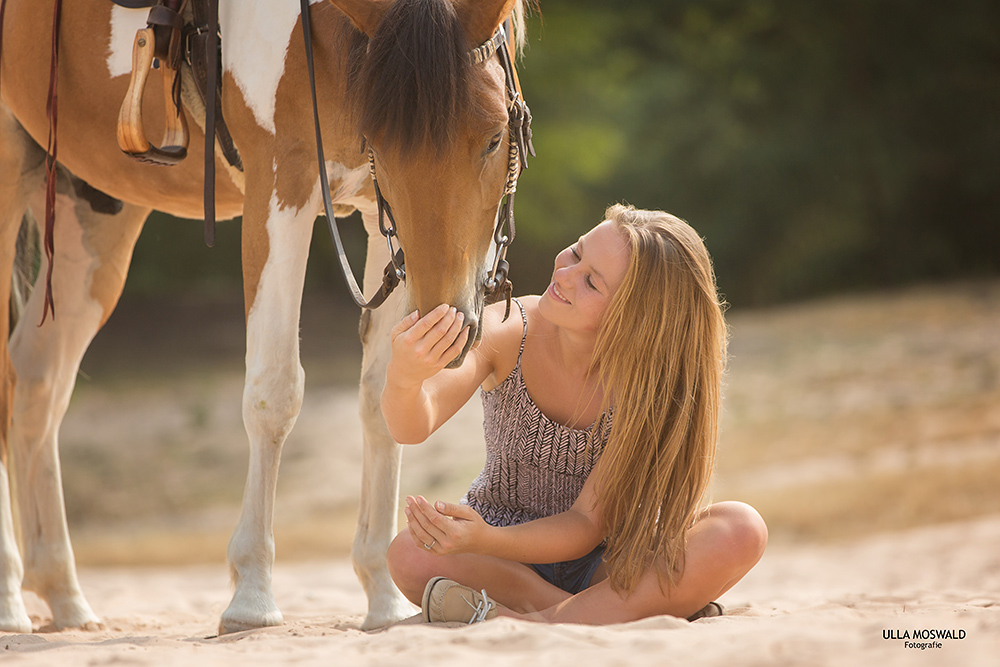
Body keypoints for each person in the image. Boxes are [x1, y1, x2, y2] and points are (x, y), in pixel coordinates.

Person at [381, 204, 767, 625]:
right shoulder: (510, 330)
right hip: (499, 552)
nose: (564, 275)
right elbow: (412, 425)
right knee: (408, 555)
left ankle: (536, 620)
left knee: (741, 529)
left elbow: (585, 523)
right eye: (577, 252)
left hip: (603, 561)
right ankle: (607, 611)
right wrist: (404, 379)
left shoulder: (646, 389)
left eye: (591, 283)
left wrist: (487, 538)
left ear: (631, 319)